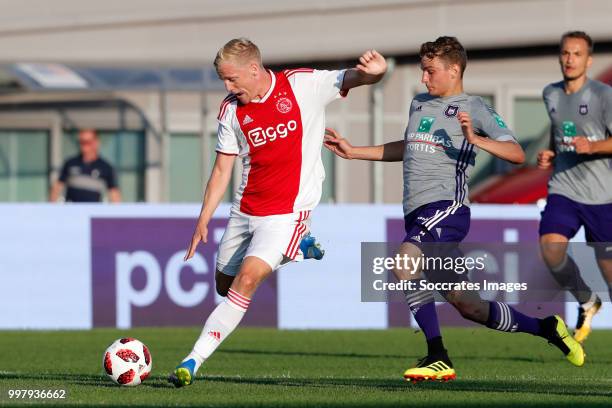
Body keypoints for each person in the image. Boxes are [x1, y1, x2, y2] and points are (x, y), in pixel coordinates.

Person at [324, 36, 584, 383]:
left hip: (447, 208)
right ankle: (548, 328)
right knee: (470, 306)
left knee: (403, 264)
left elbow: (516, 154)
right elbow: (410, 147)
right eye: (423, 71)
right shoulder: (419, 104)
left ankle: (437, 356)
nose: (424, 78)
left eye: (430, 71)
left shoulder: (474, 108)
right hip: (417, 213)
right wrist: (355, 151)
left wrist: (476, 139)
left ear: (454, 70)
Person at [168, 38, 387, 387]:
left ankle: (192, 361)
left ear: (253, 69)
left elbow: (350, 78)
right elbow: (222, 169)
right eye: (224, 80)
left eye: (232, 79)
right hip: (244, 210)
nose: (228, 87)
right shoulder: (230, 110)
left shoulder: (300, 85)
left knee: (248, 279)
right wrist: (203, 218)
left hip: (287, 213)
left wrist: (376, 73)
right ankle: (297, 249)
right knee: (225, 286)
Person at [537, 31, 612, 344]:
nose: (570, 59)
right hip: (564, 188)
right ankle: (586, 299)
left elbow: (597, 141)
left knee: (609, 271)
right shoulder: (550, 93)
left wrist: (592, 147)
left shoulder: (603, 95)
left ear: (588, 60)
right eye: (566, 53)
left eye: (577, 54)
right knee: (551, 250)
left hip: (601, 194)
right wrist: (551, 153)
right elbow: (560, 134)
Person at [49, 129, 121, 203]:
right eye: (81, 142)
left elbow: (114, 193)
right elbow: (57, 187)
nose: (84, 145)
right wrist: (51, 208)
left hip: (93, 211)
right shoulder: (70, 163)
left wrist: (117, 212)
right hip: (71, 210)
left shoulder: (106, 167)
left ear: (96, 142)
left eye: (88, 142)